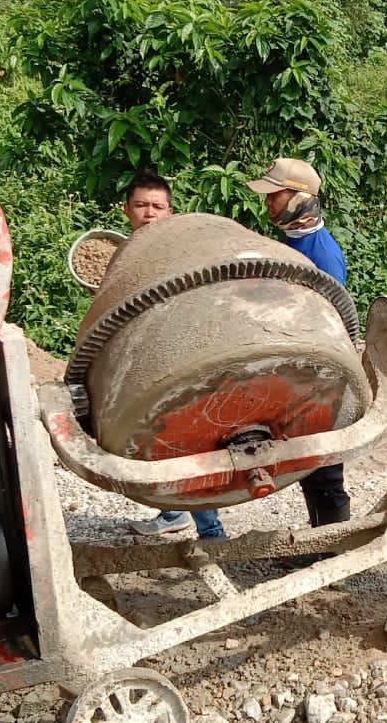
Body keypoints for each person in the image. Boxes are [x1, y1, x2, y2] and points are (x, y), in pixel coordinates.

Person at [246, 158, 351, 548]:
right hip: (293, 367)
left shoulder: (322, 255)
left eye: (275, 195)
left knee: (324, 468)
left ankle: (333, 547)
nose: (268, 202)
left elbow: (328, 322)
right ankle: (321, 544)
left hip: (318, 374)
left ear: (300, 198)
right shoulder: (290, 242)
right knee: (307, 464)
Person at [121, 173, 228, 540]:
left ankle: (211, 531)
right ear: (127, 209)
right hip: (144, 363)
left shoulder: (185, 252)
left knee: (188, 444)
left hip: (184, 361)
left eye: (157, 206)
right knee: (157, 443)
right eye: (141, 205)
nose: (149, 213)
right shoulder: (123, 256)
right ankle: (172, 512)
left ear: (170, 211)